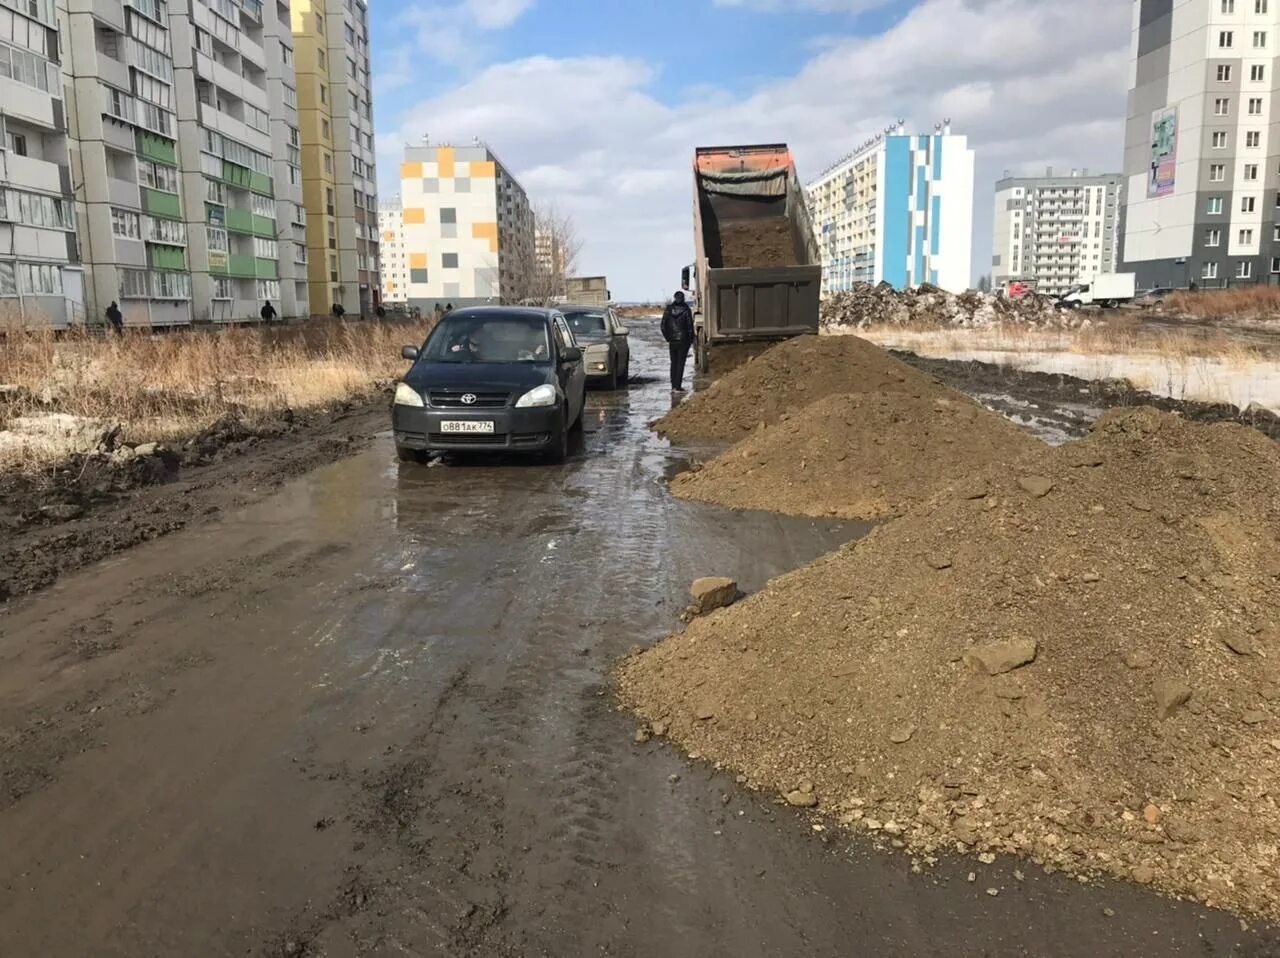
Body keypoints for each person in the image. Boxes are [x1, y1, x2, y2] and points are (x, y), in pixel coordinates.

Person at [660, 291, 695, 390]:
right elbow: (689, 327)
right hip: (683, 340)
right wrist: (691, 339)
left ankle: (673, 385)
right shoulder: (686, 310)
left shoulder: (668, 309)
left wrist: (668, 337)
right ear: (683, 298)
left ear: (675, 298)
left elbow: (663, 326)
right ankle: (678, 386)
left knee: (673, 363)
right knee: (680, 363)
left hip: (673, 341)